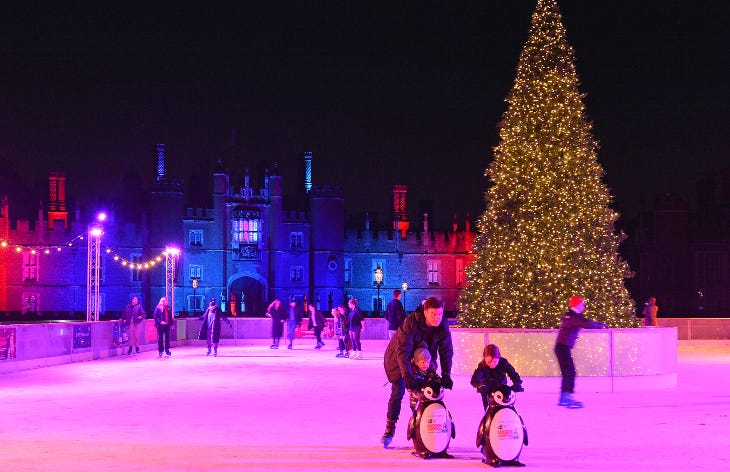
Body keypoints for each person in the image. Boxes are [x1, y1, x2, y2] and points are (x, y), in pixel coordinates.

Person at [381, 296, 453, 447]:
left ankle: (425, 425)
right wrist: (407, 375)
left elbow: (446, 349)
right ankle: (389, 429)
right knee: (398, 391)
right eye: (433, 314)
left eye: (440, 314)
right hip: (398, 360)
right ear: (425, 312)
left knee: (431, 390)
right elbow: (403, 351)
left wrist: (446, 374)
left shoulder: (442, 325)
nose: (437, 318)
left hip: (424, 359)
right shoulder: (411, 322)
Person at [554, 295, 607, 408]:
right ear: (578, 305)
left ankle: (564, 397)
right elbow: (586, 324)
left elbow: (584, 322)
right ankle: (567, 397)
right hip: (562, 347)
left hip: (562, 347)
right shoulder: (573, 316)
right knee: (570, 371)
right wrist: (602, 326)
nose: (584, 306)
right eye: (583, 304)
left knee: (568, 371)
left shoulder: (573, 315)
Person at [470, 344, 523, 411]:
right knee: (489, 413)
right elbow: (474, 380)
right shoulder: (482, 365)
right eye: (489, 362)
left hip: (502, 392)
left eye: (495, 361)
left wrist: (517, 384)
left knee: (505, 412)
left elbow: (514, 375)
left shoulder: (503, 363)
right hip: (487, 393)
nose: (492, 364)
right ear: (484, 358)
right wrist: (479, 386)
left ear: (499, 358)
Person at [407, 347, 442, 413]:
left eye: (427, 362)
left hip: (429, 399)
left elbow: (436, 378)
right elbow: (409, 386)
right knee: (418, 415)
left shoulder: (430, 372)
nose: (425, 364)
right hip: (417, 402)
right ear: (417, 362)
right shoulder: (413, 373)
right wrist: (413, 386)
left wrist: (441, 382)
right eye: (423, 362)